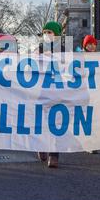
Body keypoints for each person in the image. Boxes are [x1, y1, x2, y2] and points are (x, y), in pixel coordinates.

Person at [37, 21, 65, 168]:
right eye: (45, 32)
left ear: (57, 35)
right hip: (42, 90)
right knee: (41, 121)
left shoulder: (65, 50)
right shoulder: (39, 49)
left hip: (58, 91)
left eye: (50, 32)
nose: (47, 35)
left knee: (56, 123)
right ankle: (41, 146)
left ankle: (54, 155)